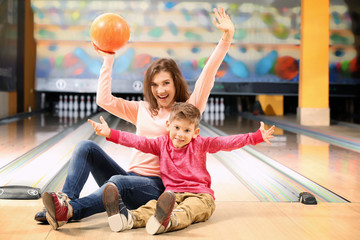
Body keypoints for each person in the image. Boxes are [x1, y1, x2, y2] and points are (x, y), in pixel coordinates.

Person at [37, 6, 235, 230]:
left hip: (155, 187)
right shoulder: (142, 109)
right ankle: (65, 201)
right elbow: (104, 100)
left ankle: (72, 211)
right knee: (86, 147)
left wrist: (226, 38)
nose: (160, 90)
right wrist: (108, 59)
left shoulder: (187, 111)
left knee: (118, 182)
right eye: (154, 84)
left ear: (176, 83)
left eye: (165, 83)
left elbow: (208, 75)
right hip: (129, 177)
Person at [88, 102, 275, 234]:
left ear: (196, 133)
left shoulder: (201, 144)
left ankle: (168, 222)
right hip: (171, 196)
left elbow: (226, 142)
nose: (180, 134)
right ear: (168, 125)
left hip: (200, 196)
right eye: (177, 128)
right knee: (152, 207)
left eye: (187, 130)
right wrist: (110, 133)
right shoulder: (161, 144)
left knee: (189, 210)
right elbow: (138, 141)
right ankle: (126, 219)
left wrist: (255, 137)